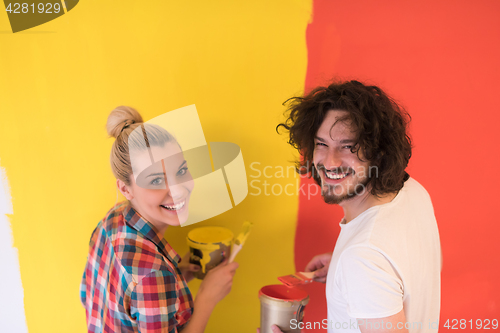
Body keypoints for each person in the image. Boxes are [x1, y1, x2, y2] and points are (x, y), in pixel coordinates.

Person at [275, 80, 441, 333]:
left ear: (379, 152)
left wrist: (358, 268)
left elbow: (371, 256)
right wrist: (345, 271)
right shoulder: (412, 191)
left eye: (348, 147)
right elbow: (401, 264)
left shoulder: (363, 257)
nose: (330, 162)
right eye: (321, 144)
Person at [80, 106, 239, 333]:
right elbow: (145, 280)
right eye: (156, 180)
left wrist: (176, 274)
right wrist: (207, 298)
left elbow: (99, 296)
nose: (178, 190)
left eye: (181, 171)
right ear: (126, 189)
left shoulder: (112, 219)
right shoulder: (154, 275)